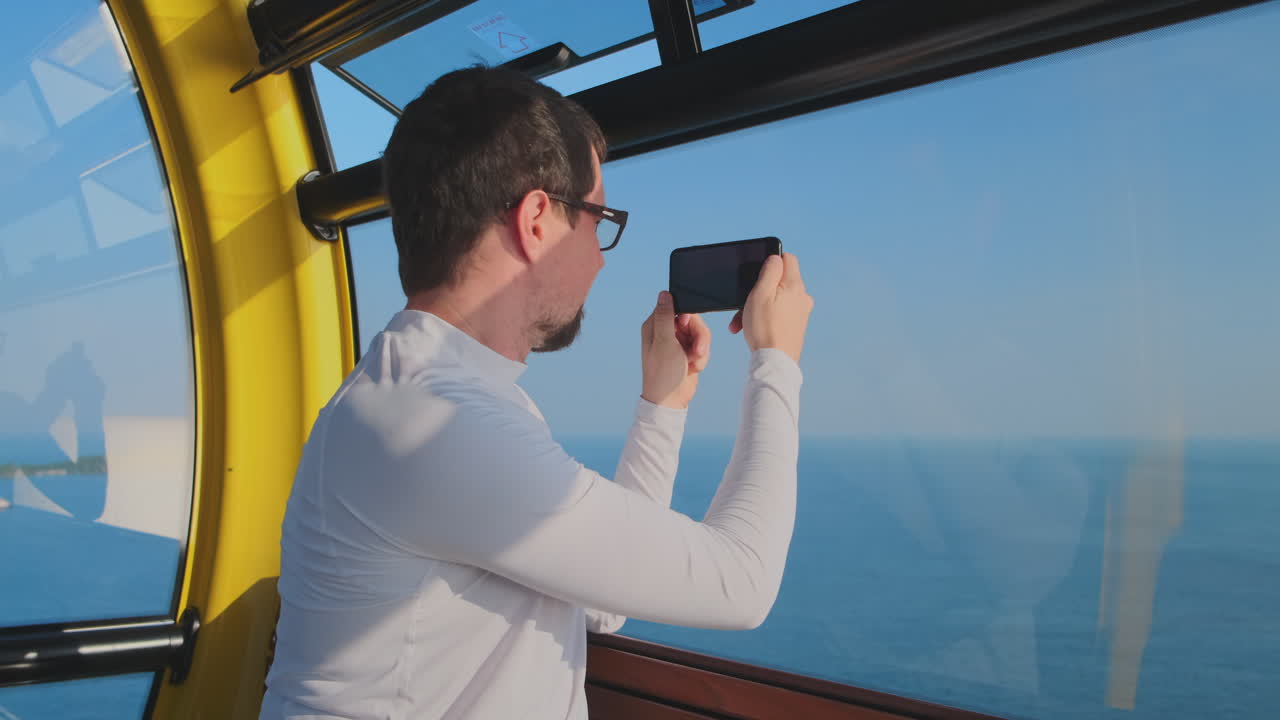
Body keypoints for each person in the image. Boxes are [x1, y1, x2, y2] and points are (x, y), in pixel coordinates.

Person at [261, 66, 813, 720]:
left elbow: (600, 603)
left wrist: (662, 406)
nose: (603, 257)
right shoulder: (439, 426)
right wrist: (775, 362)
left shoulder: (431, 398)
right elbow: (741, 583)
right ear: (536, 219)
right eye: (599, 219)